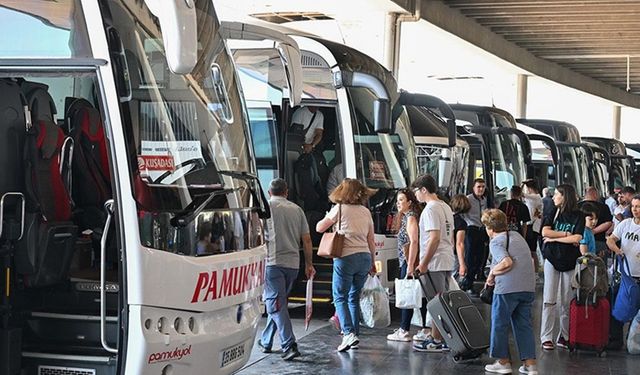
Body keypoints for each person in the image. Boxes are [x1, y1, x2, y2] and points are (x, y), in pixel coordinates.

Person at [257, 178, 316, 361]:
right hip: (293, 265)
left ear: (269, 193)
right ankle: (266, 341)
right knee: (278, 304)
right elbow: (306, 240)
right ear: (287, 192)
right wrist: (308, 264)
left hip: (273, 263)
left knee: (276, 305)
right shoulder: (297, 210)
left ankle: (289, 345)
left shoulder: (265, 208)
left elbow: (257, 235)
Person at [316, 178, 377, 352]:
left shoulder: (339, 209)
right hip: (364, 257)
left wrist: (329, 216)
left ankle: (349, 333)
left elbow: (319, 228)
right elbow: (371, 239)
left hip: (346, 257)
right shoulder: (366, 212)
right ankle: (354, 334)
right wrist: (372, 261)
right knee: (353, 297)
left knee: (339, 297)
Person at [482, 209, 538, 375]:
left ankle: (502, 362)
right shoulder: (517, 236)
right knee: (524, 326)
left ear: (490, 228)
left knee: (499, 323)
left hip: (507, 289)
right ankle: (530, 365)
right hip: (527, 287)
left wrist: (491, 274)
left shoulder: (496, 241)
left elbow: (507, 262)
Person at [411, 174, 455, 353]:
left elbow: (434, 238)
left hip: (434, 262)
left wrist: (423, 263)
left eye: (416, 191)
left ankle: (439, 340)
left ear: (423, 190)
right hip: (445, 259)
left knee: (436, 303)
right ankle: (438, 337)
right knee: (441, 302)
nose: (415, 196)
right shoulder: (445, 206)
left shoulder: (430, 209)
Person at [540, 184, 584, 351]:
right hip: (552, 258)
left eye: (557, 194)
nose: (553, 197)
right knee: (549, 299)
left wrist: (555, 238)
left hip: (570, 261)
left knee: (566, 300)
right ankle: (546, 336)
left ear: (565, 196)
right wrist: (566, 235)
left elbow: (578, 237)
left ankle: (564, 336)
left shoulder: (579, 215)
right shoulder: (552, 211)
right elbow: (545, 232)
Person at [387, 189, 423, 342]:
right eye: (397, 200)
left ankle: (404, 329)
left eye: (401, 200)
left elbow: (414, 241)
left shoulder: (411, 218)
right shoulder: (406, 217)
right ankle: (420, 329)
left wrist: (410, 265)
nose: (398, 203)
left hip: (409, 261)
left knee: (407, 294)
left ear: (410, 202)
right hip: (407, 261)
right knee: (414, 294)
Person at [606, 194, 640, 350]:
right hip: (624, 275)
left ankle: (632, 341)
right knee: (619, 308)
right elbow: (610, 239)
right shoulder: (625, 224)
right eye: (633, 206)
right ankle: (615, 339)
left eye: (638, 207)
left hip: (638, 277)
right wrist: (617, 250)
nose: (635, 210)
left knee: (636, 312)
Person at [462, 178, 490, 287]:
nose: (481, 189)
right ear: (473, 188)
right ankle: (468, 282)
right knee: (470, 256)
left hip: (481, 229)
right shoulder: (468, 199)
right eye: (478, 187)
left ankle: (477, 274)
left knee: (480, 255)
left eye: (483, 187)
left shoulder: (484, 199)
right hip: (471, 229)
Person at [578, 186, 613, 256]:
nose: (594, 222)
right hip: (600, 241)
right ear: (595, 195)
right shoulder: (584, 233)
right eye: (590, 219)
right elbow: (584, 254)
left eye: (596, 219)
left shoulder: (577, 205)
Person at [522, 180, 543, 272]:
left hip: (533, 226)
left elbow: (521, 193)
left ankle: (535, 270)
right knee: (531, 250)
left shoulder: (535, 197)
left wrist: (522, 183)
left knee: (532, 250)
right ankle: (534, 270)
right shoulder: (535, 197)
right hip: (533, 225)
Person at [450, 194, 470, 281]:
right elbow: (459, 243)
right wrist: (462, 264)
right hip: (454, 256)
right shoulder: (461, 222)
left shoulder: (446, 218)